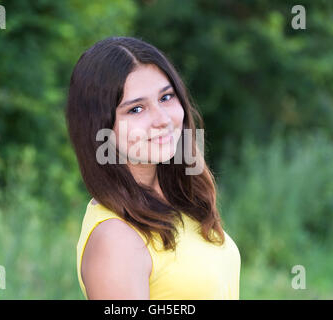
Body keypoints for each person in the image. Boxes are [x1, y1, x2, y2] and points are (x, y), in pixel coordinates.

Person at [66, 36, 240, 300]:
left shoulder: (181, 201)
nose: (162, 119)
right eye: (136, 109)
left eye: (166, 97)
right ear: (100, 128)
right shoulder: (116, 240)